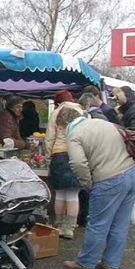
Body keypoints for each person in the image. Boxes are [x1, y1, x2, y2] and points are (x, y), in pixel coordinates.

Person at [58, 107, 135, 269]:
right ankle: (111, 264)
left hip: (109, 179)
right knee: (120, 222)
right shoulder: (105, 123)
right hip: (133, 173)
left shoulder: (75, 135)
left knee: (98, 223)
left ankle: (85, 262)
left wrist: (88, 183)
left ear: (64, 124)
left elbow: (78, 164)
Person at [44, 90, 83, 239]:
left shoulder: (56, 113)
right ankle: (70, 228)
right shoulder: (82, 112)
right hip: (76, 153)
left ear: (58, 102)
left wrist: (49, 156)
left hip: (59, 153)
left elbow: (49, 137)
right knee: (73, 194)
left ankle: (58, 225)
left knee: (60, 193)